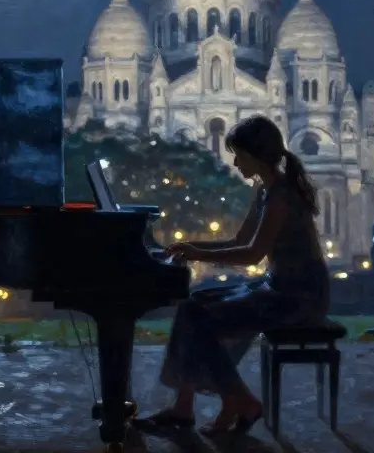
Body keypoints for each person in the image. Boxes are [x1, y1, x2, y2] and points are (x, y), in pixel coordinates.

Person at [135, 114, 330, 437]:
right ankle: (185, 407)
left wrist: (200, 255)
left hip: (299, 298)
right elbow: (241, 241)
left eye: (239, 155)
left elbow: (252, 254)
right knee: (193, 304)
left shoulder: (281, 196)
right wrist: (191, 246)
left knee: (203, 320)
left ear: (254, 156)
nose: (235, 162)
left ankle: (240, 400)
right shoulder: (266, 190)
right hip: (280, 287)